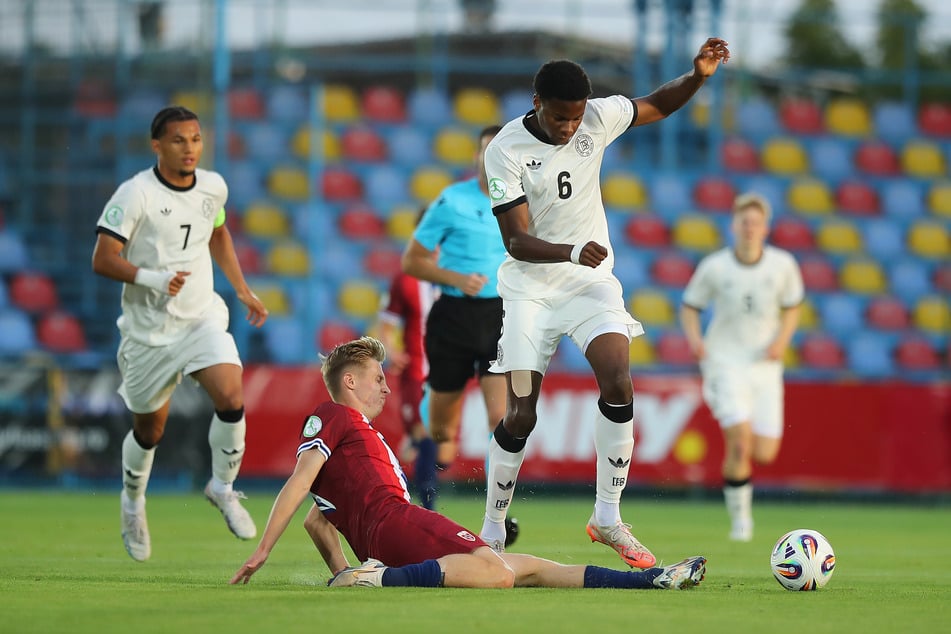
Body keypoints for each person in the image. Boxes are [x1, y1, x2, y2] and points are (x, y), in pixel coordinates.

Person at [479, 38, 731, 566]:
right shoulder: (504, 149)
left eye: (574, 119)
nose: (569, 128)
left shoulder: (597, 117)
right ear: (535, 102)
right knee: (522, 413)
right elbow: (516, 242)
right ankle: (493, 528)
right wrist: (572, 248)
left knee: (618, 380)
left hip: (589, 285)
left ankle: (608, 518)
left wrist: (698, 76)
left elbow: (656, 104)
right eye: (558, 118)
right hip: (529, 290)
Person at [229, 336, 706, 590]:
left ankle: (648, 582)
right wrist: (263, 550)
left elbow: (318, 520)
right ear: (349, 382)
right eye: (377, 378)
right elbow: (298, 484)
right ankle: (379, 580)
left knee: (527, 568)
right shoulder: (331, 415)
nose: (386, 388)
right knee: (497, 574)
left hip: (387, 532)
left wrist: (341, 572)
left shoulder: (351, 436)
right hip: (396, 522)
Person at [92, 105, 269, 562]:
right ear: (157, 146)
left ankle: (223, 487)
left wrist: (242, 290)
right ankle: (133, 502)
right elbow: (103, 258)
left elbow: (218, 232)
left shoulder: (213, 186)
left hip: (200, 319)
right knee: (149, 431)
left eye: (195, 139)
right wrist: (152, 278)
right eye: (177, 140)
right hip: (149, 334)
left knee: (231, 395)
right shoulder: (136, 195)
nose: (188, 148)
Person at [679, 193, 803, 542]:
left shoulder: (783, 266)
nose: (749, 229)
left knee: (764, 452)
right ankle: (741, 524)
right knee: (740, 443)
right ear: (734, 226)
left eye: (756, 223)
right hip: (725, 362)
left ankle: (741, 498)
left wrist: (782, 341)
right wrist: (696, 341)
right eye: (744, 222)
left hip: (764, 367)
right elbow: (690, 306)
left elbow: (793, 306)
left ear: (766, 228)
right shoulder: (716, 267)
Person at [401, 125, 508, 508]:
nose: (491, 158)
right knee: (442, 431)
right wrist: (456, 278)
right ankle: (423, 436)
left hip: (500, 316)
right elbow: (411, 261)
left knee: (501, 417)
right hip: (453, 317)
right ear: (477, 157)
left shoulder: (526, 203)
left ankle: (498, 508)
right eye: (485, 151)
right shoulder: (452, 200)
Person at [377, 208, 439, 507]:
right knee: (424, 431)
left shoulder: (458, 277)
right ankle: (428, 506)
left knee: (442, 446)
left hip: (447, 372)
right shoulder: (405, 279)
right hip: (415, 369)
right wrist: (392, 349)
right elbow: (386, 324)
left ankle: (411, 453)